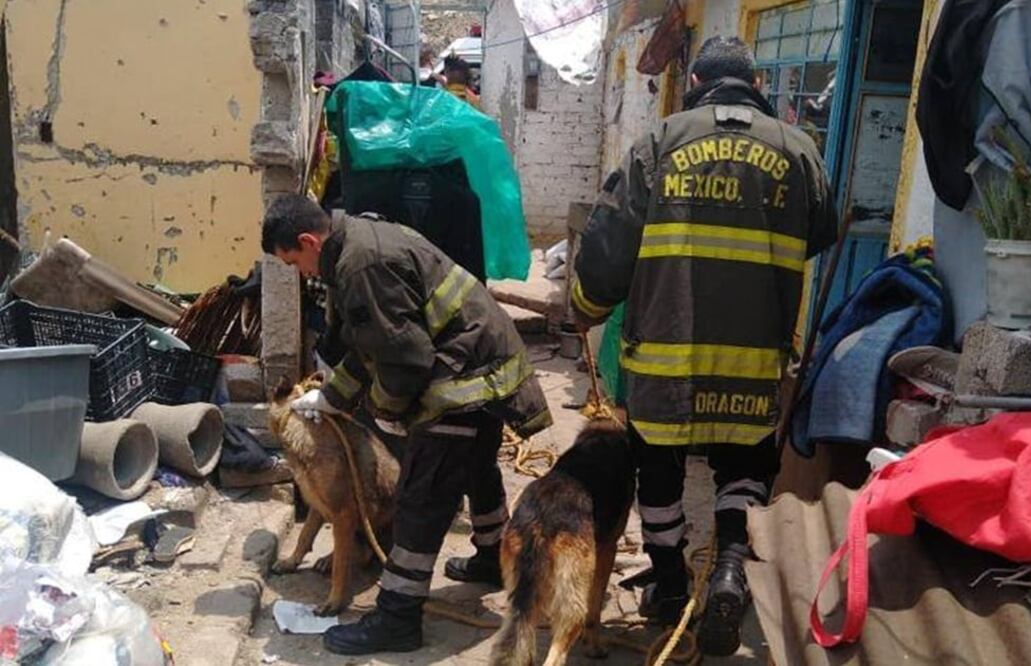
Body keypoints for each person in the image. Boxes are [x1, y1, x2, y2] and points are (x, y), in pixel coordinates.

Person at [569, 36, 837, 656]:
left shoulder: (659, 142)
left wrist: (587, 305)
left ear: (692, 81)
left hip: (666, 363)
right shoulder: (800, 149)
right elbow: (819, 229)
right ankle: (729, 573)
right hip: (753, 360)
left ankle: (668, 591)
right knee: (741, 471)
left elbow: (609, 243)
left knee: (658, 475)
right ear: (758, 87)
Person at [262, 194, 552, 656]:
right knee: (477, 465)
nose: (302, 273)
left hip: (465, 378)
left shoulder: (360, 267)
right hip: (483, 362)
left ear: (308, 241)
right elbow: (370, 343)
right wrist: (334, 396)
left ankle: (397, 617)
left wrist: (385, 414)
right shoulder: (356, 242)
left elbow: (406, 362)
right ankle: (493, 558)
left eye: (295, 262)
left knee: (421, 496)